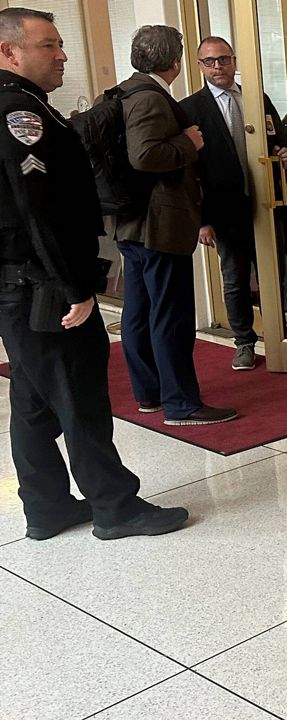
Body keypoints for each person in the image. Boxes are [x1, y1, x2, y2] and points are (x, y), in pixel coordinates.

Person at [0, 7, 188, 539]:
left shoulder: (28, 105)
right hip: (42, 284)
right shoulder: (20, 115)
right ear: (9, 51)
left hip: (22, 284)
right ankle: (115, 506)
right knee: (78, 394)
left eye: (61, 44)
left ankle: (46, 506)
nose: (63, 55)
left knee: (34, 400)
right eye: (49, 46)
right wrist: (74, 286)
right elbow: (37, 208)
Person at [114, 25, 237, 425]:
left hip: (134, 223)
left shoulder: (126, 90)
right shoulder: (150, 98)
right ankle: (181, 403)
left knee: (139, 312)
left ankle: (150, 393)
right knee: (169, 315)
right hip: (158, 226)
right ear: (176, 62)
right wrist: (190, 143)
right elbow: (145, 155)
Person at [180, 36, 287, 371]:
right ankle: (244, 341)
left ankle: (280, 337)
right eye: (210, 61)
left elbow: (280, 140)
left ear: (234, 61)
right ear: (200, 66)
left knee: (274, 273)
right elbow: (188, 171)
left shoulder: (257, 98)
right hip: (225, 210)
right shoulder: (190, 108)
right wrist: (201, 221)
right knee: (235, 277)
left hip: (268, 204)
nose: (219, 67)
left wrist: (286, 155)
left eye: (224, 59)